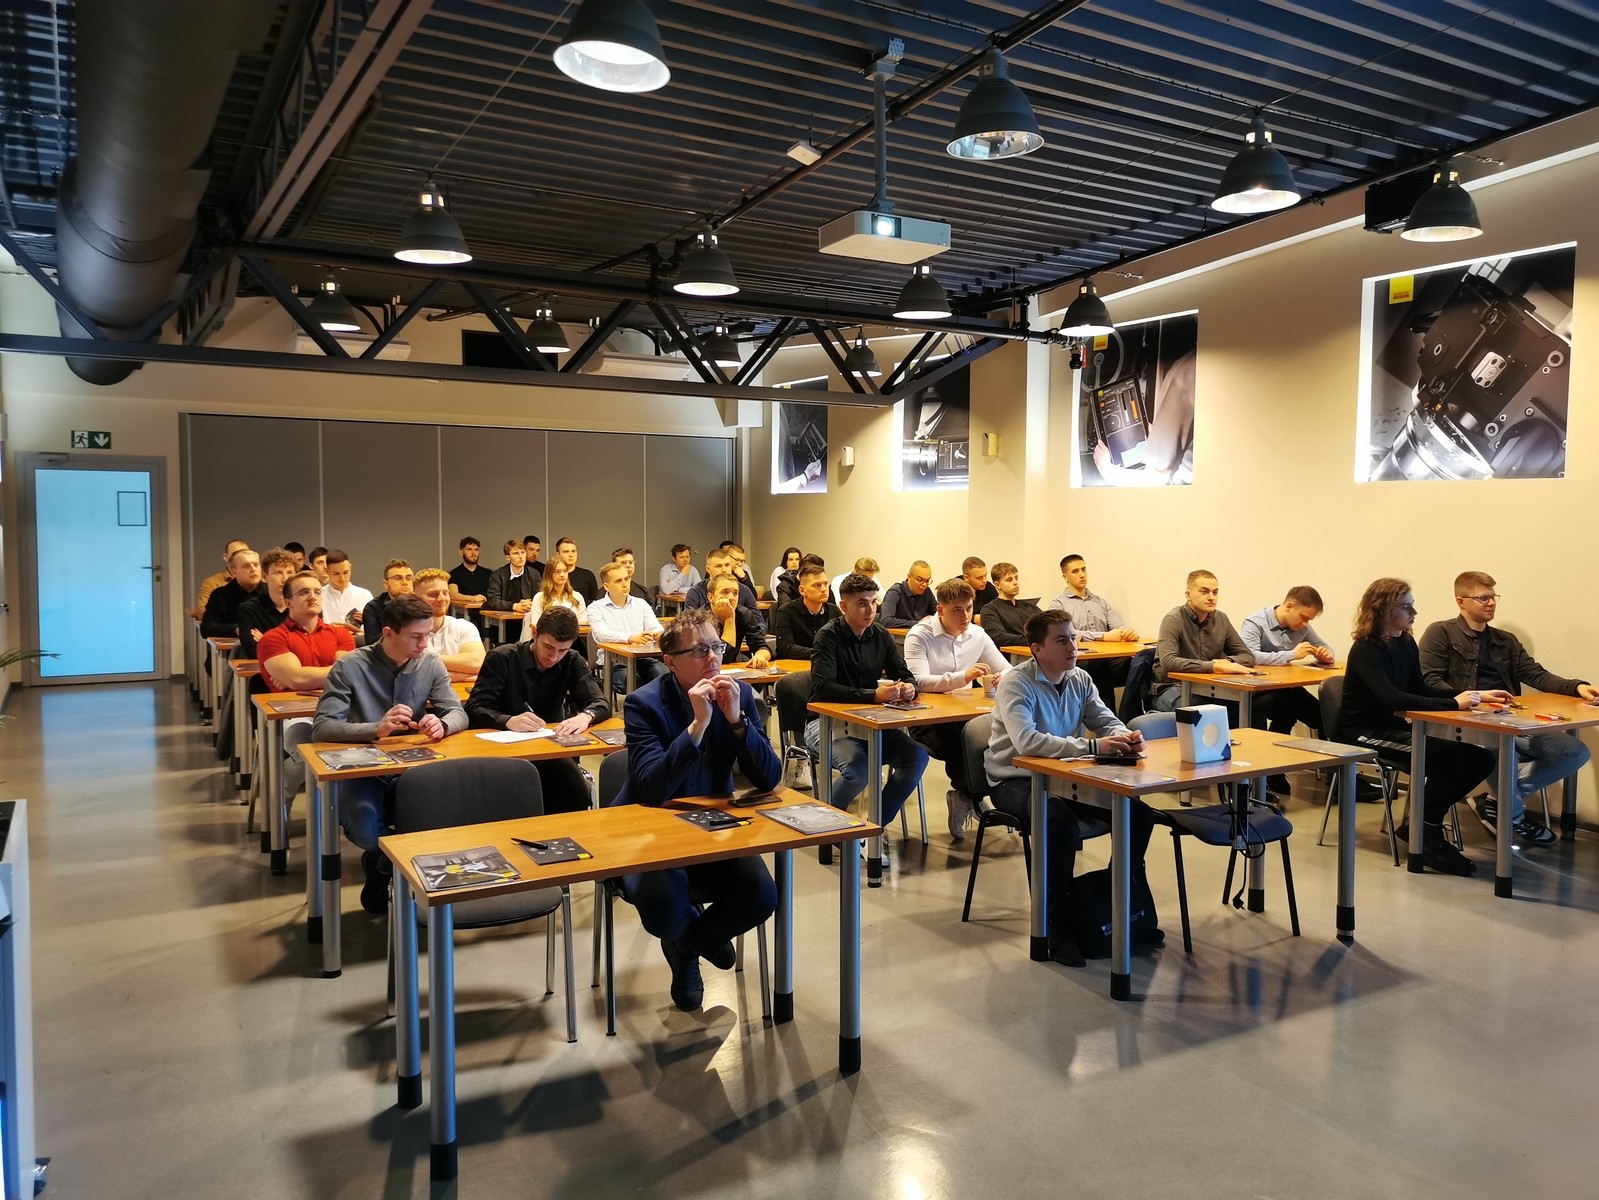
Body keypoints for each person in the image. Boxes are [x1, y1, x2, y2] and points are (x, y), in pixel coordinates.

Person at [612, 607, 781, 1011]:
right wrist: (697, 726)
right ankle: (692, 939)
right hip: (650, 830)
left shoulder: (737, 694)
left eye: (717, 647)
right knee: (665, 912)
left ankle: (689, 946)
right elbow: (652, 789)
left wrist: (737, 722)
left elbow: (769, 777)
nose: (713, 658)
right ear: (670, 661)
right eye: (700, 650)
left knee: (761, 895)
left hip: (712, 827)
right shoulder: (643, 704)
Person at [984, 610, 1160, 967]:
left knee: (1139, 814)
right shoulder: (1016, 683)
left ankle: (1121, 901)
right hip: (1015, 779)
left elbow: (1103, 719)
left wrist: (1125, 736)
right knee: (1057, 821)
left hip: (1065, 776)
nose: (1073, 647)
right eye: (1062, 640)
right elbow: (1027, 742)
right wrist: (1093, 746)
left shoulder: (1079, 677)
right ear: (1037, 649)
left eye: (1074, 638)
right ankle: (1057, 926)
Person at [311, 594, 468, 912]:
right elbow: (322, 728)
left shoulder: (430, 663)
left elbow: (458, 713)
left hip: (412, 768)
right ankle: (383, 860)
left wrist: (442, 724)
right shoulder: (350, 666)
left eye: (427, 635)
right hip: (362, 770)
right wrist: (375, 729)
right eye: (415, 637)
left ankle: (388, 868)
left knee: (445, 818)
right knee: (367, 830)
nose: (424, 644)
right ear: (388, 633)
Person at [1419, 571, 1597, 846]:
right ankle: (1512, 815)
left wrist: (1578, 687)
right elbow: (1429, 680)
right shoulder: (1440, 632)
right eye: (1483, 598)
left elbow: (1536, 675)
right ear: (1461, 601)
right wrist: (1476, 698)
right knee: (1503, 750)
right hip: (1464, 720)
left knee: (1574, 751)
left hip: (1510, 718)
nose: (1491, 603)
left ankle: (1496, 801)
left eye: (1493, 597)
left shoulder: (1506, 640)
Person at [1339, 578, 1501, 876]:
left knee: (1480, 758)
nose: (1414, 612)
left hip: (1392, 729)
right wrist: (1454, 704)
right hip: (1362, 733)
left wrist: (1473, 696)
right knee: (1447, 758)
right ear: (1385, 610)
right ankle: (1426, 835)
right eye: (1406, 606)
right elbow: (1391, 698)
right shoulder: (1366, 649)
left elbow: (1418, 688)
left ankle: (1420, 826)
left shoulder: (1405, 642)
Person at [808, 572, 930, 863]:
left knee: (916, 757)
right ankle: (829, 825)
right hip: (825, 724)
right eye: (862, 603)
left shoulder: (881, 635)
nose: (870, 609)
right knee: (858, 770)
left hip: (869, 723)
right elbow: (824, 688)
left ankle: (871, 828)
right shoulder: (827, 636)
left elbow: (904, 673)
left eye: (874, 602)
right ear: (844, 607)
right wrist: (874, 695)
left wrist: (908, 687)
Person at [467, 607, 612, 815]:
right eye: (548, 647)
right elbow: (474, 708)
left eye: (562, 650)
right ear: (534, 632)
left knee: (575, 793)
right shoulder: (502, 657)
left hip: (548, 750)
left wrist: (585, 716)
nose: (553, 657)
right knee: (514, 800)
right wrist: (507, 720)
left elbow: (600, 702)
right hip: (502, 750)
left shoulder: (572, 660)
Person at [903, 578, 1009, 840]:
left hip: (965, 712)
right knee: (966, 738)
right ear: (940, 610)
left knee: (996, 733)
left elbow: (1006, 668)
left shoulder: (977, 634)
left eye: (969, 608)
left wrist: (1002, 677)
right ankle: (970, 795)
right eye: (957, 610)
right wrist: (963, 677)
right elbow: (918, 681)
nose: (965, 616)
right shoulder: (920, 635)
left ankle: (968, 795)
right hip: (926, 718)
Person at [256, 569, 355, 809]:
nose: (312, 597)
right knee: (309, 752)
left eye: (317, 592)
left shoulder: (340, 634)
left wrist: (301, 678)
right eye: (303, 592)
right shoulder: (273, 638)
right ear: (288, 601)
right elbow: (297, 679)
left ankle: (343, 812)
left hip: (339, 711)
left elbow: (349, 676)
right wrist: (308, 677)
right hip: (293, 716)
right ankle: (279, 806)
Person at [1241, 585, 1334, 794]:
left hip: (1287, 687)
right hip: (1258, 690)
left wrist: (1326, 655)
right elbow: (1249, 656)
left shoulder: (1303, 627)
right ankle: (1272, 769)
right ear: (1290, 606)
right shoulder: (1255, 622)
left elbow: (1326, 647)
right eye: (1304, 618)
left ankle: (1338, 776)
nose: (1305, 624)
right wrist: (1290, 655)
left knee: (1324, 716)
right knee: (1285, 712)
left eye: (1309, 620)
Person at [1152, 569, 1255, 711]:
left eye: (1215, 592)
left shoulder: (1221, 619)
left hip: (1208, 688)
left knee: (1251, 708)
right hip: (1172, 688)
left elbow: (1247, 656)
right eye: (1204, 592)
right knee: (1204, 711)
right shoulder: (1173, 619)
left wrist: (1227, 662)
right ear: (1188, 595)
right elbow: (1168, 662)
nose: (1211, 597)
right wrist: (1213, 666)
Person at [588, 560, 666, 691]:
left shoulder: (641, 603)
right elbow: (602, 634)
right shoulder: (595, 608)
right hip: (614, 663)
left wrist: (657, 634)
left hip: (643, 658)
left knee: (665, 677)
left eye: (626, 578)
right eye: (618, 581)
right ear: (606, 586)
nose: (624, 584)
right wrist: (630, 638)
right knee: (636, 685)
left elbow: (655, 627)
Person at [413, 568, 485, 680]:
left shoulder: (464, 627)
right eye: (434, 594)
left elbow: (477, 664)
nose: (442, 598)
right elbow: (412, 675)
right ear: (415, 598)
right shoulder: (404, 632)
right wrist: (462, 675)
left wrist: (426, 660)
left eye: (445, 593)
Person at [236, 547, 296, 658]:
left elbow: (311, 648)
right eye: (278, 573)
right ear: (264, 577)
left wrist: (265, 640)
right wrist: (292, 646)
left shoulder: (304, 607)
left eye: (290, 572)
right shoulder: (249, 610)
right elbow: (253, 652)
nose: (285, 578)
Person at [772, 563, 840, 660]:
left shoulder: (834, 611)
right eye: (817, 585)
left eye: (825, 584)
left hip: (827, 664)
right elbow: (786, 648)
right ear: (802, 590)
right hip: (795, 665)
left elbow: (844, 644)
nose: (824, 589)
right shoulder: (786, 611)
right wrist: (822, 653)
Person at [706, 574, 771, 666]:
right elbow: (721, 658)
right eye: (725, 592)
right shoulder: (700, 619)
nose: (731, 597)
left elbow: (761, 646)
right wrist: (729, 619)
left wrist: (760, 656)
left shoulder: (744, 614)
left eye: (735, 593)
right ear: (711, 597)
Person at [200, 546, 264, 638]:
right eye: (246, 566)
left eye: (256, 564)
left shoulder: (270, 592)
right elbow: (206, 628)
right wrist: (235, 629)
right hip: (232, 645)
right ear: (234, 572)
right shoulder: (220, 595)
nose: (253, 569)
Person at [520, 558, 587, 641]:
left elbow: (583, 624)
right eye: (557, 572)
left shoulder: (577, 596)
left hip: (573, 640)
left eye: (565, 571)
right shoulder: (540, 597)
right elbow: (536, 625)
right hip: (548, 640)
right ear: (549, 574)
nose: (562, 575)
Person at [978, 562, 1041, 648]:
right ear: (997, 585)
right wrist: (1033, 640)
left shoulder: (1029, 606)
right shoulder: (989, 609)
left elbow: (1047, 626)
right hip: (1011, 654)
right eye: (1009, 580)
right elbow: (998, 637)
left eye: (1016, 578)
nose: (1015, 582)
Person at [190, 537, 248, 619]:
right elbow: (202, 612)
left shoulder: (259, 581)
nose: (241, 558)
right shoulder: (212, 582)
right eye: (235, 554)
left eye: (245, 553)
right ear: (225, 557)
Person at [360, 560, 414, 648]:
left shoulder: (422, 606)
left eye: (409, 578)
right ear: (386, 584)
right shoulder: (373, 608)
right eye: (398, 578)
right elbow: (372, 643)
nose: (405, 582)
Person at [684, 548, 759, 610]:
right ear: (708, 569)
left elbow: (759, 621)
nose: (724, 570)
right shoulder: (695, 592)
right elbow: (688, 621)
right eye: (718, 566)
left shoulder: (744, 590)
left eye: (727, 565)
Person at [447, 537, 493, 630]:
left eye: (476, 550)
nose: (473, 553)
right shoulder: (454, 574)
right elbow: (453, 594)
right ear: (461, 552)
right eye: (469, 549)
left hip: (487, 613)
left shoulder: (488, 573)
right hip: (465, 614)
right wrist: (473, 599)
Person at [484, 538, 537, 616]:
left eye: (523, 552)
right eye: (516, 553)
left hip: (527, 616)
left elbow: (539, 597)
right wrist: (514, 606)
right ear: (508, 557)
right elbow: (493, 601)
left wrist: (528, 604)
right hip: (504, 618)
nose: (521, 556)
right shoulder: (497, 576)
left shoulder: (534, 574)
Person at [877, 561, 936, 629]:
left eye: (927, 581)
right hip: (896, 635)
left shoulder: (927, 591)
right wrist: (917, 623)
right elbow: (886, 620)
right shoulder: (895, 592)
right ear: (909, 577)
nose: (924, 585)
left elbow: (937, 614)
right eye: (920, 580)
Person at [554, 536, 600, 605]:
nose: (571, 555)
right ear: (558, 555)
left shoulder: (587, 575)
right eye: (566, 552)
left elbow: (595, 601)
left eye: (573, 551)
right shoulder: (553, 575)